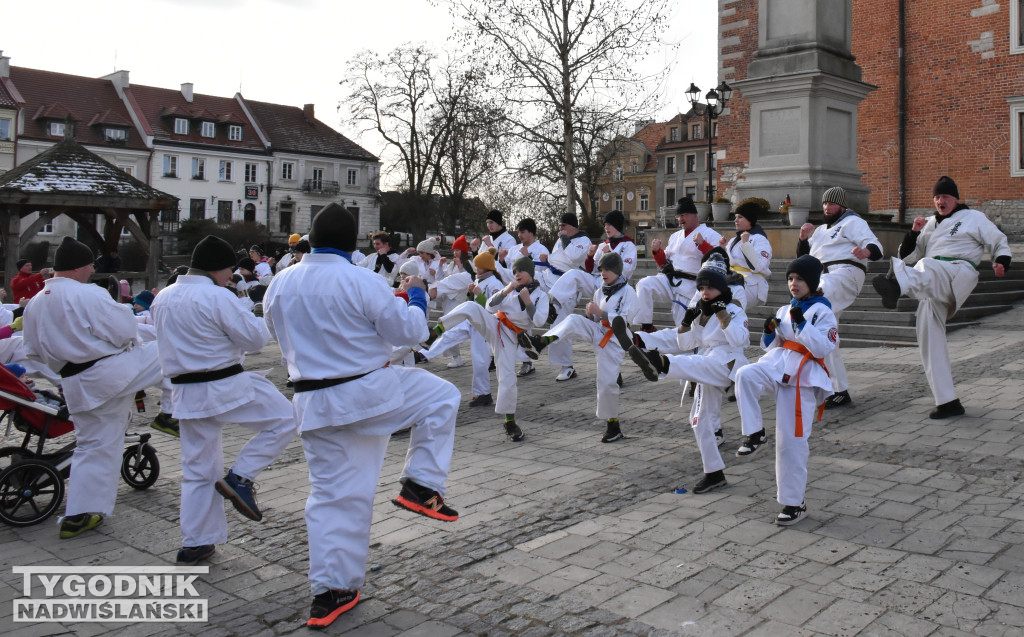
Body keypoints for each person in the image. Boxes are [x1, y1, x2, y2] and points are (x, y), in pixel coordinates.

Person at [263, 203, 460, 629]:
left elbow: (276, 333)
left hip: (314, 402)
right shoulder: (359, 278)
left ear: (310, 239)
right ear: (352, 243)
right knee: (442, 395)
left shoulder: (279, 283)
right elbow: (409, 333)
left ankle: (331, 591)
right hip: (366, 394)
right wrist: (417, 295)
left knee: (333, 497)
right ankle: (421, 484)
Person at [151, 235, 296, 565]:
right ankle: (240, 476)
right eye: (229, 268)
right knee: (287, 418)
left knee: (198, 469)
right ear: (218, 267)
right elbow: (256, 339)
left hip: (185, 392)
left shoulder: (164, 297)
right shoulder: (216, 296)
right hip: (223, 383)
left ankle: (197, 542)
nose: (230, 274)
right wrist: (246, 306)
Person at [22, 236, 168, 539]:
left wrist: (62, 376)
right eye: (90, 264)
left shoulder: (36, 301)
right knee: (172, 354)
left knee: (94, 445)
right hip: (107, 373)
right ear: (79, 266)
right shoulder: (89, 294)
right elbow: (125, 330)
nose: (92, 269)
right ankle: (171, 413)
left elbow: (33, 353)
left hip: (74, 383)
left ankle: (80, 513)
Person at [872, 176, 1012, 419]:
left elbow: (998, 239)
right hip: (932, 282)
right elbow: (908, 256)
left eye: (945, 196)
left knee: (928, 265)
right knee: (927, 335)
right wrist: (913, 234)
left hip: (959, 271)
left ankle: (897, 286)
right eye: (936, 197)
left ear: (955, 198)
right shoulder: (928, 224)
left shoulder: (973, 218)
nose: (940, 201)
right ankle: (947, 401)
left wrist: (1001, 260)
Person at [613, 254, 750, 492]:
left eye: (710, 288)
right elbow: (685, 343)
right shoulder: (700, 308)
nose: (705, 292)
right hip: (708, 361)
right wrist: (686, 323)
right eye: (702, 288)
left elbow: (741, 339)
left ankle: (661, 363)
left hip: (728, 363)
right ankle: (714, 472)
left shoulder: (733, 307)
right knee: (698, 421)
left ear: (720, 287)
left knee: (695, 364)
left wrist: (723, 315)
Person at [733, 255, 838, 526]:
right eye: (790, 279)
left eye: (800, 279)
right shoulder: (785, 309)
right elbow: (772, 345)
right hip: (777, 364)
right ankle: (754, 433)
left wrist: (802, 325)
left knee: (791, 443)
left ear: (812, 283)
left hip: (803, 375)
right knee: (745, 374)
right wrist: (769, 332)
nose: (794, 284)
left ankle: (794, 503)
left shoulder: (824, 312)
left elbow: (824, 348)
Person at [428, 255, 549, 441]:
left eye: (521, 271)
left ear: (530, 273)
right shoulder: (510, 289)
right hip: (495, 323)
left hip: (510, 337)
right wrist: (506, 290)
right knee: (470, 306)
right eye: (514, 271)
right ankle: (436, 331)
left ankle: (510, 422)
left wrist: (528, 302)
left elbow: (539, 320)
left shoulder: (541, 295)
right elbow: (489, 306)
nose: (516, 274)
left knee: (507, 378)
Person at [521, 251, 638, 443]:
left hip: (616, 341)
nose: (603, 273)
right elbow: (596, 318)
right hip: (599, 331)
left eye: (608, 269)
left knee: (607, 383)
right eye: (601, 270)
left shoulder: (629, 292)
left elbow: (625, 319)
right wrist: (591, 315)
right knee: (574, 319)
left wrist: (600, 312)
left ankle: (613, 425)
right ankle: (541, 342)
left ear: (617, 270)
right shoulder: (600, 290)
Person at [796, 186, 883, 408]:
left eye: (832, 203)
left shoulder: (853, 222)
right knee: (826, 332)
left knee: (815, 297)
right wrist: (804, 239)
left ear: (842, 205)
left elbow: (875, 246)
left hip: (845, 274)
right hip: (822, 275)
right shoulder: (821, 230)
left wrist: (866, 252)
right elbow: (805, 259)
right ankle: (839, 389)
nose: (827, 207)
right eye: (825, 203)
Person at [635, 197, 722, 332]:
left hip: (692, 284)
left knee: (682, 325)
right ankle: (646, 326)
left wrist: (703, 245)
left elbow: (720, 259)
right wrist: (657, 252)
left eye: (684, 215)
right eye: (679, 216)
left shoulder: (710, 234)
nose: (681, 219)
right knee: (644, 284)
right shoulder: (675, 236)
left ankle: (687, 348)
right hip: (671, 279)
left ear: (695, 215)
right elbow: (665, 263)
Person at [535, 212, 592, 381]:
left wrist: (565, 239)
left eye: (563, 226)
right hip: (548, 276)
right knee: (525, 275)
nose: (560, 229)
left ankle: (567, 366)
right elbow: (558, 258)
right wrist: (548, 258)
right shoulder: (560, 240)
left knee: (559, 323)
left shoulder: (584, 241)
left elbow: (574, 257)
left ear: (572, 226)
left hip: (567, 284)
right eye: (559, 226)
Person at [499, 218, 550, 377]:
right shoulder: (514, 249)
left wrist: (529, 258)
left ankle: (526, 362)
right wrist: (500, 259)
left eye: (522, 232)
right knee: (510, 325)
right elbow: (507, 269)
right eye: (518, 232)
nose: (519, 235)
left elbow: (545, 273)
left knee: (525, 324)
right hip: (513, 290)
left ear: (531, 233)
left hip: (532, 290)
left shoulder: (541, 250)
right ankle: (509, 359)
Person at [720, 202, 772, 307]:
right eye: (735, 217)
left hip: (752, 284)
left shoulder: (760, 239)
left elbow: (758, 266)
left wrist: (746, 244)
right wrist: (722, 249)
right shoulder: (733, 240)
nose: (735, 220)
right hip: (734, 281)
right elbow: (727, 264)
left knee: (723, 300)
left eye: (740, 217)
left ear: (749, 219)